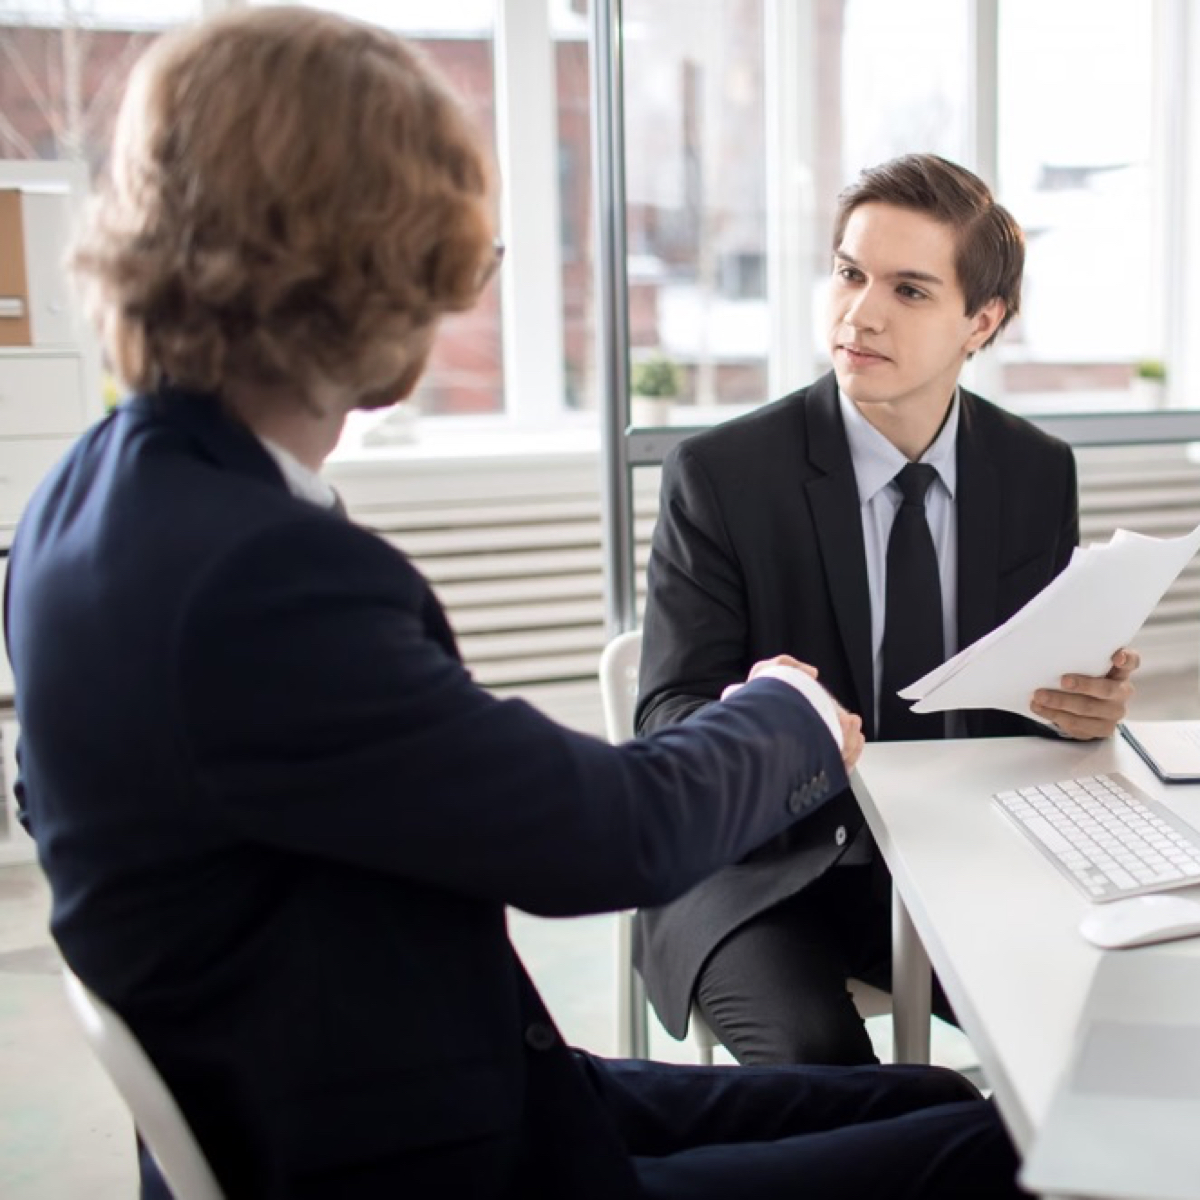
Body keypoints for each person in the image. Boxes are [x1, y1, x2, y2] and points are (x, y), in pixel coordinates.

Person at [5, 11, 1029, 1199]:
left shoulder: (88, 495)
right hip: (422, 1152)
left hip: (418, 1075)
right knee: (1000, 1150)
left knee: (939, 1096)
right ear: (374, 264)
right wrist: (789, 715)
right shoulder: (256, 573)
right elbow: (608, 834)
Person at [635, 152, 1141, 1068]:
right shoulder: (720, 476)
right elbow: (665, 719)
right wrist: (760, 716)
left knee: (1108, 1026)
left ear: (980, 322)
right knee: (820, 1069)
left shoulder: (1034, 473)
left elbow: (1027, 702)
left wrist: (1084, 708)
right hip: (764, 868)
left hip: (968, 855)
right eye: (849, 272)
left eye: (909, 290)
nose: (859, 312)